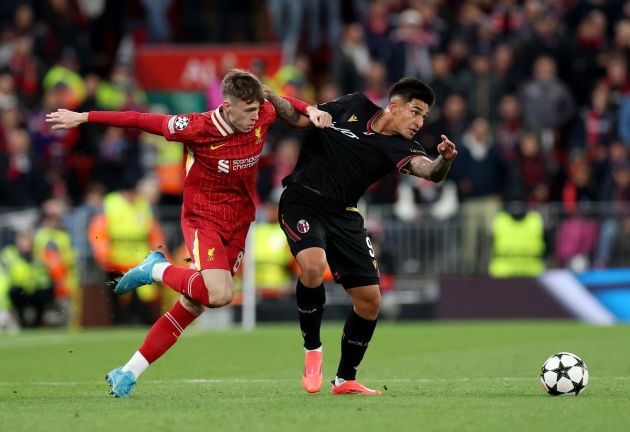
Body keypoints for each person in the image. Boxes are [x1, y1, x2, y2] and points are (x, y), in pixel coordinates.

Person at [46, 69, 332, 398]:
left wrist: (310, 109)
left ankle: (128, 372)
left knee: (195, 304)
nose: (257, 118)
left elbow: (280, 105)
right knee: (220, 294)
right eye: (249, 111)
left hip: (239, 222)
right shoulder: (196, 127)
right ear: (226, 108)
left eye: (258, 110)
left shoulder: (262, 113)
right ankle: (155, 268)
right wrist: (84, 116)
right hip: (203, 219)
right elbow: (138, 119)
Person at [264, 78, 457, 395]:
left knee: (370, 302)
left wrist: (444, 160)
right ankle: (313, 349)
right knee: (313, 266)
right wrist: (271, 96)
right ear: (394, 106)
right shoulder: (354, 104)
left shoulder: (403, 146)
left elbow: (428, 171)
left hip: (344, 213)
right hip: (303, 199)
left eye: (424, 116)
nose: (420, 122)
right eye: (416, 112)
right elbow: (298, 117)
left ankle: (344, 379)